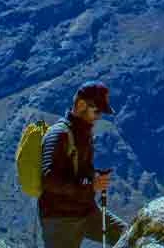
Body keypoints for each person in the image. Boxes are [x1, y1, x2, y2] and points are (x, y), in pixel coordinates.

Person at [38, 81, 128, 247]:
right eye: (97, 111)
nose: (99, 116)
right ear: (80, 105)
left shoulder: (82, 134)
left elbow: (78, 171)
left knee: (128, 236)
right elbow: (49, 180)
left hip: (85, 211)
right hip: (60, 219)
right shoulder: (58, 135)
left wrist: (95, 176)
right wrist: (90, 185)